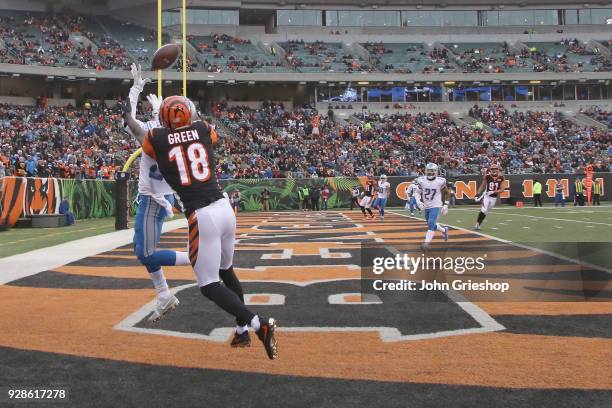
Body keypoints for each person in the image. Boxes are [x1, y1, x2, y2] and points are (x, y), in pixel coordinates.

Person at [123, 95, 278, 359]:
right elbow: (193, 127)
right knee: (226, 271)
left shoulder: (157, 139)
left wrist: (130, 107)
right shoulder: (203, 129)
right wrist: (175, 112)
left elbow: (136, 129)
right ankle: (241, 332)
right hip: (225, 208)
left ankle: (257, 324)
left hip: (203, 216)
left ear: (163, 118)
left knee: (208, 285)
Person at [123, 64, 190, 321]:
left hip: (154, 199)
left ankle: (197, 259)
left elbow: (128, 118)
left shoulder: (151, 135)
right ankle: (163, 293)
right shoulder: (178, 135)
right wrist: (159, 110)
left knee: (146, 253)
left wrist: (136, 89)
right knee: (139, 248)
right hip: (158, 195)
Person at [415, 163, 449, 250]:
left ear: (436, 172)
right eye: (428, 171)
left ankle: (426, 244)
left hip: (436, 205)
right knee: (431, 225)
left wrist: (446, 204)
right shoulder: (421, 180)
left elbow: (447, 192)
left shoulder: (440, 181)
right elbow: (417, 192)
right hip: (426, 206)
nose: (430, 173)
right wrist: (418, 201)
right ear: (426, 171)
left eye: (432, 171)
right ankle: (444, 230)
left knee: (430, 223)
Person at [474, 164, 505, 230]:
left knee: (485, 212)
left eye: (495, 169)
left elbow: (502, 189)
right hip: (487, 196)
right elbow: (482, 185)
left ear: (498, 170)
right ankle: (478, 224)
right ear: (490, 170)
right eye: (492, 169)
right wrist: (477, 194)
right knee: (484, 210)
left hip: (494, 197)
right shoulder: (487, 176)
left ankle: (478, 222)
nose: (494, 170)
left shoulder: (501, 177)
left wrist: (494, 192)